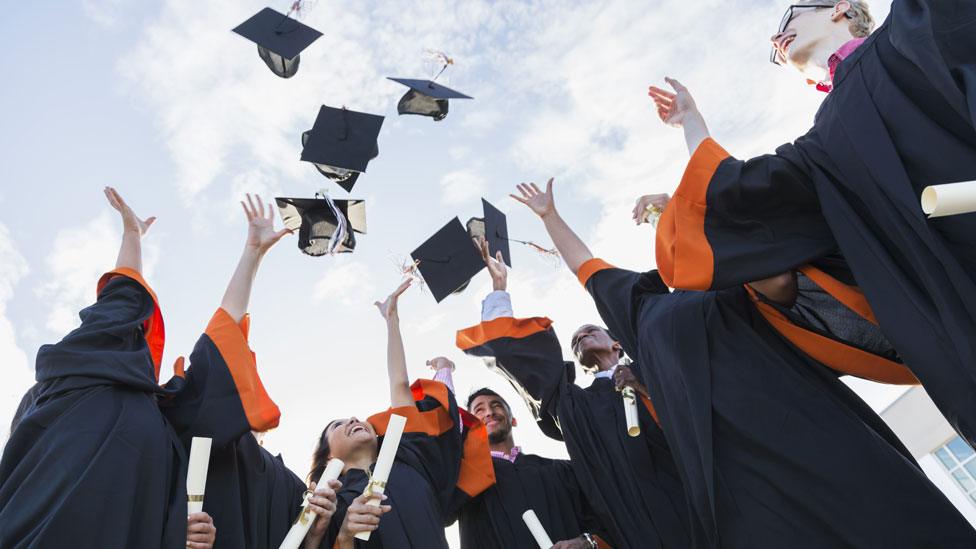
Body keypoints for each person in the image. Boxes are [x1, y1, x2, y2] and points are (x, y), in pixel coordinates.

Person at [511, 178, 976, 548]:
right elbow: (584, 265)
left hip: (805, 422)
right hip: (733, 467)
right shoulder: (641, 311)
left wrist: (668, 209)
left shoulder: (727, 287)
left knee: (887, 517)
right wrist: (551, 216)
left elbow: (765, 267)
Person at [647, 0, 976, 446]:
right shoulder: (819, 149)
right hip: (957, 316)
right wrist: (692, 123)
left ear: (840, 8)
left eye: (789, 18)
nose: (776, 39)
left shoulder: (912, 30)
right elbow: (742, 199)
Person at [455, 240, 689, 549]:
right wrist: (499, 289)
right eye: (575, 339)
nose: (581, 335)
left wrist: (646, 386)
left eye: (590, 329)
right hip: (634, 526)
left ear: (617, 343)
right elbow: (529, 366)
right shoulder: (576, 404)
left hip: (695, 499)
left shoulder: (657, 368)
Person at [159, 195, 338, 549]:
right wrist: (252, 255)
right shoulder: (202, 434)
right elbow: (223, 333)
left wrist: (318, 529)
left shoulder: (286, 482)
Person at [314, 280, 495, 549]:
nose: (353, 419)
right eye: (338, 424)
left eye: (354, 418)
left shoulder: (413, 460)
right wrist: (345, 535)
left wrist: (392, 320)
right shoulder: (329, 506)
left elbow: (399, 383)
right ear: (328, 455)